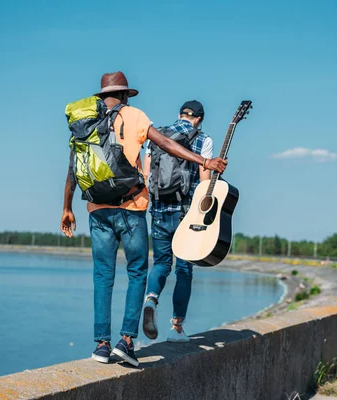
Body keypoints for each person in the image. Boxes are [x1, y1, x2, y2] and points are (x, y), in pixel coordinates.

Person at [60, 72, 227, 367]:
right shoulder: (134, 116)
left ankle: (101, 345)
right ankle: (126, 342)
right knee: (137, 272)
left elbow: (74, 164)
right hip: (132, 208)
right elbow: (164, 143)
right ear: (125, 95)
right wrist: (204, 161)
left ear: (102, 96)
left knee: (103, 275)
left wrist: (67, 208)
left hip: (96, 210)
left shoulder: (86, 120)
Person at [141, 100, 212, 343]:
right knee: (184, 270)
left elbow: (146, 174)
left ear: (179, 114)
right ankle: (177, 328)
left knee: (161, 263)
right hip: (186, 215)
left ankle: (150, 298)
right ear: (199, 119)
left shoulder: (157, 136)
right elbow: (204, 184)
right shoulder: (203, 140)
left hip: (159, 211)